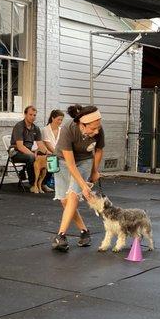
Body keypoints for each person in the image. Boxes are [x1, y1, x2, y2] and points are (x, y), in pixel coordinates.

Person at [52, 104, 104, 251]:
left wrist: (95, 171)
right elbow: (70, 164)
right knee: (65, 200)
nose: (97, 131)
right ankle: (84, 231)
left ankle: (60, 235)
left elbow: (99, 150)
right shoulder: (68, 130)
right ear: (82, 124)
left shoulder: (98, 129)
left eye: (98, 127)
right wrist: (83, 186)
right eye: (93, 128)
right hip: (63, 161)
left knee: (73, 196)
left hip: (85, 160)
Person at [11, 105, 53, 192]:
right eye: (30, 115)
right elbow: (20, 146)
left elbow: (40, 144)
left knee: (51, 159)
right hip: (16, 152)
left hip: (29, 152)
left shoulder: (36, 128)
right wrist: (33, 154)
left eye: (34, 115)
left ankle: (43, 184)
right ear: (25, 114)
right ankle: (33, 185)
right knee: (32, 158)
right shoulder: (19, 126)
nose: (33, 117)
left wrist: (48, 152)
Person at [41, 110, 64, 189]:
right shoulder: (45, 129)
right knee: (53, 158)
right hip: (48, 152)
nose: (60, 121)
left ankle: (62, 182)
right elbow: (47, 145)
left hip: (58, 152)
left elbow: (63, 144)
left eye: (61, 120)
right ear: (53, 118)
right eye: (58, 119)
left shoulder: (62, 130)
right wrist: (58, 153)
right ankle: (45, 183)